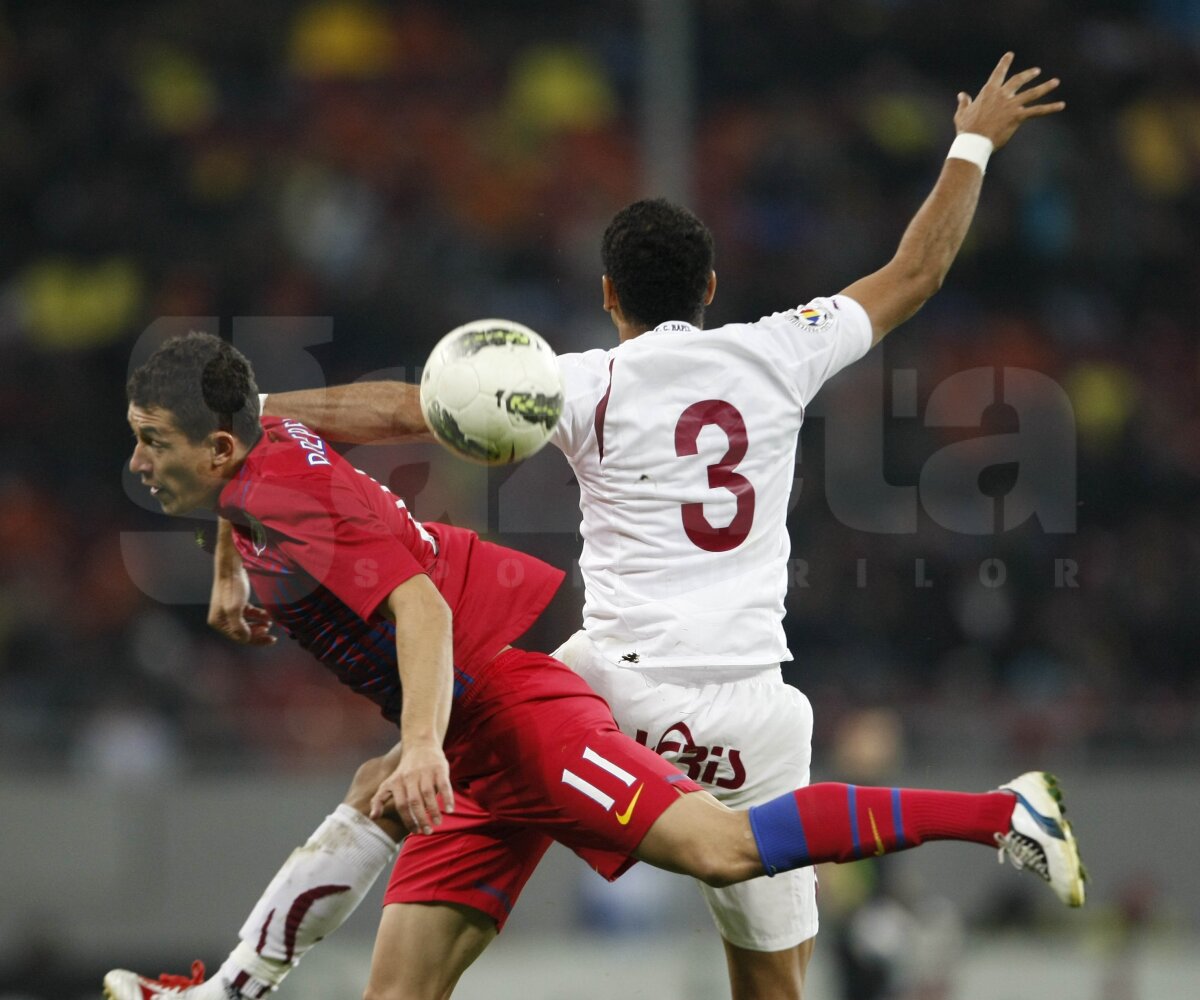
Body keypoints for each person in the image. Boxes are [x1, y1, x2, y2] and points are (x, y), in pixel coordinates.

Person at [106, 55, 1081, 1000]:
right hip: (758, 712)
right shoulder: (784, 349)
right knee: (771, 984)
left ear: (608, 295)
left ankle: (234, 984)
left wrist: (248, 414)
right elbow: (915, 271)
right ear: (709, 288)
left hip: (613, 692)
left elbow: (407, 409)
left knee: (415, 831)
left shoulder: (583, 382)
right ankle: (231, 987)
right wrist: (972, 145)